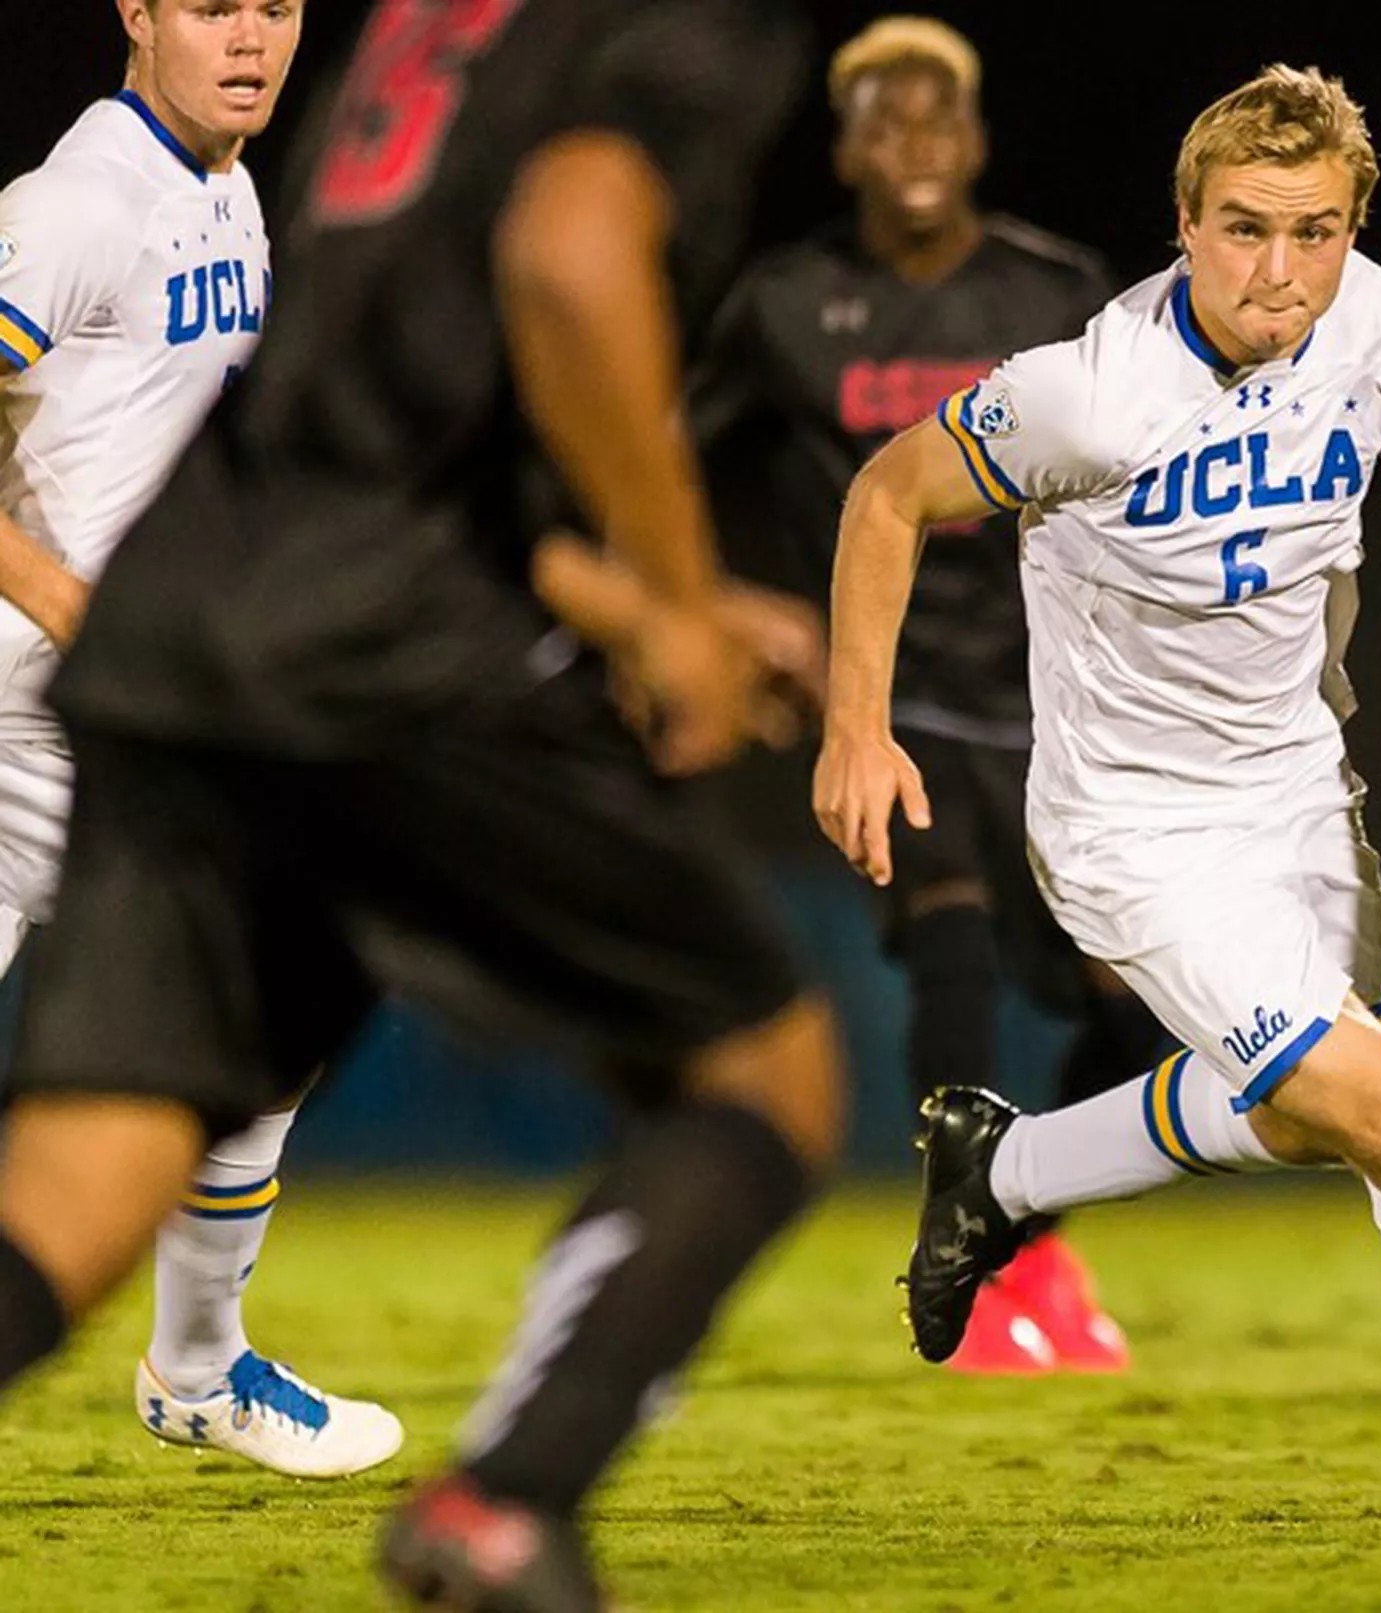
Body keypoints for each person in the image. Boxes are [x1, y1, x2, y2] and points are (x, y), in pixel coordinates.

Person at [0, 0, 839, 1606]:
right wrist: (671, 599)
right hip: (350, 658)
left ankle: (209, 1365)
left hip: (183, 641)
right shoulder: (677, 27)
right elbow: (572, 259)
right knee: (768, 1064)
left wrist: (636, 601)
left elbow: (367, 428)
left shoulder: (404, 47)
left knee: (83, 1176)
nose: (249, 31)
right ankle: (507, 1500)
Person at [815, 64, 1381, 1386]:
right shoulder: (1090, 391)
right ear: (1185, 223)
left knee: (1321, 1119)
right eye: (1246, 227)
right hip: (1134, 826)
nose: (1282, 272)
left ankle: (1002, 1169)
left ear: (1355, 230)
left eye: (1318, 232)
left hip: (1299, 787)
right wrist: (856, 725)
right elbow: (888, 494)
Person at [693, 15, 1158, 1375]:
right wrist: (722, 610)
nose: (912, 144)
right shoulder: (785, 304)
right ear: (844, 147)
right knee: (947, 935)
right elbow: (657, 465)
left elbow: (1148, 479)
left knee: (1140, 1016)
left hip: (1053, 710)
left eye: (936, 118)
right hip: (891, 709)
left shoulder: (1057, 293)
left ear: (977, 142)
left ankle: (1017, 1232)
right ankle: (970, 1280)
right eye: (883, 121)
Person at [0, 0, 403, 1476]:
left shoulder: (227, 183)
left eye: (278, 7)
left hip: (135, 722)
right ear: (134, 12)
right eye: (212, 5)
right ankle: (194, 1367)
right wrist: (71, 606)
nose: (251, 37)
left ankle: (197, 1367)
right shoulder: (71, 207)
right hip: (32, 723)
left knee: (273, 1013)